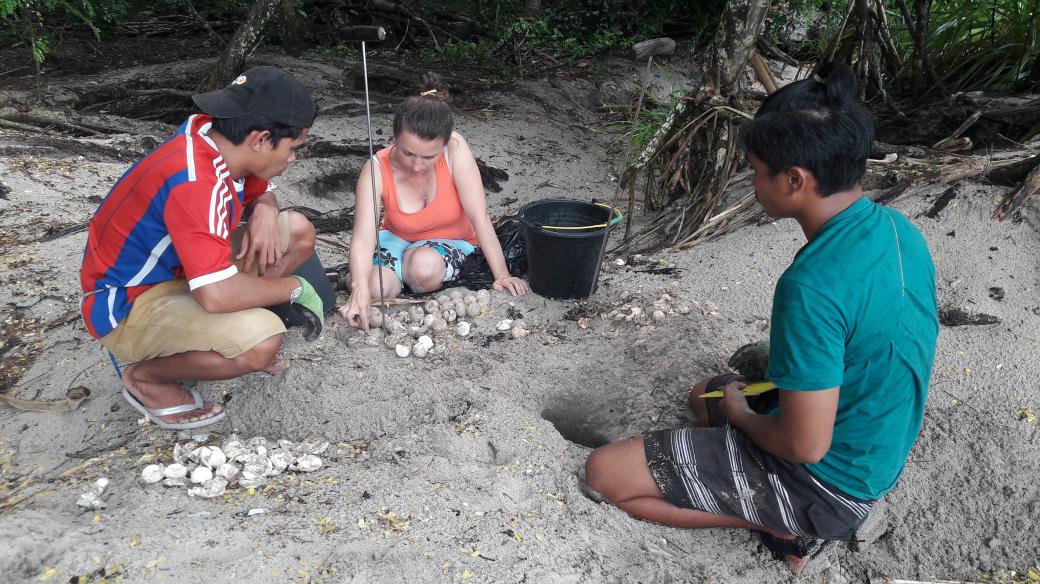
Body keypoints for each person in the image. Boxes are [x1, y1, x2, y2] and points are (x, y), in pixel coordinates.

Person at [583, 63, 939, 573]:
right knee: (704, 392)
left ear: (795, 180)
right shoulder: (897, 229)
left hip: (829, 481)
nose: (751, 180)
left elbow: (805, 444)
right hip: (874, 440)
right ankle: (777, 495)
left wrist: (743, 416)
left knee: (604, 474)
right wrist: (732, 403)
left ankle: (782, 522)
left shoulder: (811, 286)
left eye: (754, 169)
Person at [80, 66, 326, 430]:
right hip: (129, 303)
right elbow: (214, 294)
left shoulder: (211, 137)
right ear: (260, 140)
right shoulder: (196, 180)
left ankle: (233, 326)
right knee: (261, 343)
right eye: (294, 148)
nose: (292, 160)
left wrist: (266, 208)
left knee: (296, 230)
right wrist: (296, 288)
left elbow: (258, 190)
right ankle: (145, 378)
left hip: (182, 272)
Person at [339, 73, 527, 330]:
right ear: (395, 139)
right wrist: (360, 289)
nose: (416, 166)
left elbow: (479, 218)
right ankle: (364, 278)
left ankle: (397, 271)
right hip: (395, 237)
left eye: (428, 157)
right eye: (407, 153)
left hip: (452, 241)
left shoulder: (455, 149)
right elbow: (362, 238)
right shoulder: (375, 169)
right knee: (374, 288)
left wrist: (502, 275)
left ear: (444, 145)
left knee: (423, 269)